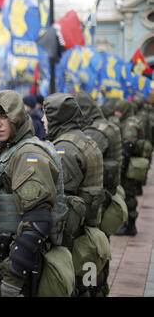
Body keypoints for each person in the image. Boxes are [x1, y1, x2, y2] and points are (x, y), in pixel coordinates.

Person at [0, 90, 68, 297]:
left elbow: (37, 224)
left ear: (16, 116)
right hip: (2, 264)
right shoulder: (11, 150)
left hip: (18, 272)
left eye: (3, 117)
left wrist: (12, 282)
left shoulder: (27, 154)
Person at [42, 93, 109, 297]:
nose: (43, 120)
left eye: (46, 115)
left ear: (57, 117)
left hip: (74, 238)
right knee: (87, 284)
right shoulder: (82, 139)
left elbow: (65, 203)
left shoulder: (65, 149)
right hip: (88, 228)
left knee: (73, 286)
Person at [76, 91, 126, 297]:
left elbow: (83, 156)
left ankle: (95, 289)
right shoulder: (108, 125)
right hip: (107, 193)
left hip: (98, 199)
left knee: (91, 251)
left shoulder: (96, 131)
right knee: (100, 246)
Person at [114, 99, 147, 236]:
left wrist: (122, 168)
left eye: (119, 110)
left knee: (129, 194)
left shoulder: (130, 124)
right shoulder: (129, 120)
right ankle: (127, 223)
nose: (116, 113)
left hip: (129, 165)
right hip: (130, 163)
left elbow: (128, 146)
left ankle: (130, 226)